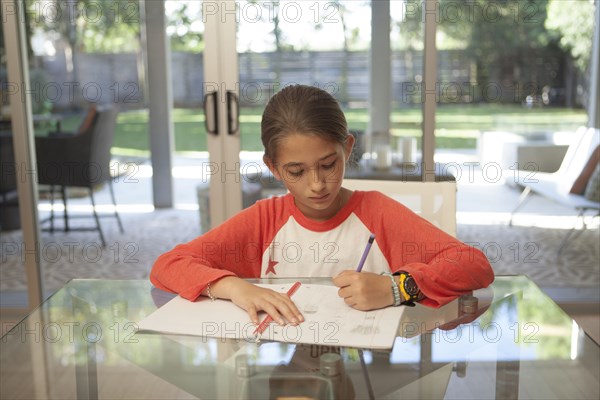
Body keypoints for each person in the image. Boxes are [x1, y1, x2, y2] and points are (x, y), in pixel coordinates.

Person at [150, 84, 494, 328]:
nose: (316, 184)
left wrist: (396, 288)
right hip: (283, 355)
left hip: (370, 364)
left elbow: (473, 265)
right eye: (296, 172)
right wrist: (235, 287)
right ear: (273, 168)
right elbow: (168, 265)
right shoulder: (264, 220)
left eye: (329, 164)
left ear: (347, 148)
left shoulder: (376, 212)